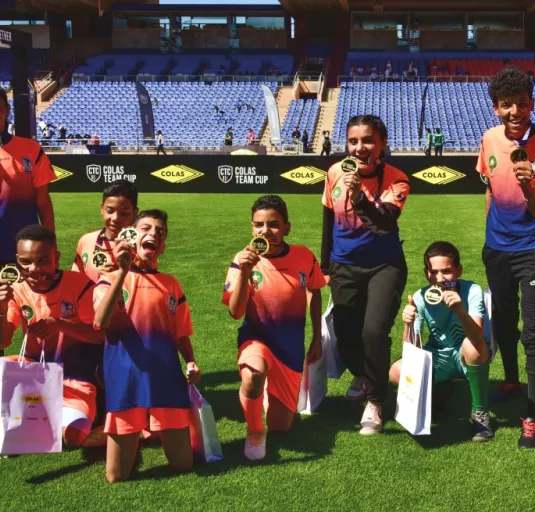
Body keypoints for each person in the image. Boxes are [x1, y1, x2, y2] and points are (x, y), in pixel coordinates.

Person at [477, 66, 535, 448]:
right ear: (496, 108)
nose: (514, 112)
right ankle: (511, 379)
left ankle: (533, 414)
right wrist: (489, 235)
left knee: (534, 329)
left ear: (532, 103)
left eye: (521, 104)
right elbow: (489, 192)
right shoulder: (489, 138)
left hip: (532, 250)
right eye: (506, 105)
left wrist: (529, 182)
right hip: (496, 248)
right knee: (504, 320)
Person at [93, 210, 201, 483]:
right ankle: (137, 431)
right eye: (146, 228)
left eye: (160, 232)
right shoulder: (109, 278)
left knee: (183, 466)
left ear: (162, 246)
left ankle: (150, 429)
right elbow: (101, 320)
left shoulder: (171, 284)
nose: (153, 234)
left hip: (166, 379)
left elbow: (180, 332)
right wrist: (123, 271)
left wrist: (190, 360)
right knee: (117, 476)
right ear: (130, 236)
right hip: (126, 380)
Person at [320, 115, 410, 435]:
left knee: (373, 331)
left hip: (384, 266)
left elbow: (384, 223)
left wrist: (359, 197)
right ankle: (362, 373)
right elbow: (328, 220)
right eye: (353, 141)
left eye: (368, 140)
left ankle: (375, 401)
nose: (360, 147)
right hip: (343, 264)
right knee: (346, 334)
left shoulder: (397, 179)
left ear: (382, 143)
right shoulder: (334, 172)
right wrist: (325, 267)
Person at [223, 195, 325, 460]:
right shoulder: (242, 260)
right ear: (252, 228)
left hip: (289, 348)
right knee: (253, 375)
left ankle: (265, 396)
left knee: (281, 427)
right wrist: (244, 273)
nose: (265, 231)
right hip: (256, 338)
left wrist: (316, 337)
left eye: (273, 225)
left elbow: (315, 290)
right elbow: (235, 313)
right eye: (258, 225)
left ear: (287, 228)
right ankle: (255, 430)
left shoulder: (303, 256)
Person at [0, 225, 105, 448]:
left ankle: (105, 419)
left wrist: (60, 325)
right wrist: (1, 308)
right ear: (17, 260)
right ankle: (34, 413)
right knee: (2, 364)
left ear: (56, 257)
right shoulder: (15, 290)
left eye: (43, 260)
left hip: (75, 374)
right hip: (33, 371)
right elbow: (3, 341)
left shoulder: (80, 285)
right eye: (26, 262)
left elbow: (99, 337)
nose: (34, 268)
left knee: (73, 438)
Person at [391, 242, 493, 441]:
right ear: (426, 272)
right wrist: (408, 324)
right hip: (437, 356)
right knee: (396, 370)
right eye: (433, 271)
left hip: (465, 354)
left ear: (458, 270)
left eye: (446, 271)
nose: (439, 278)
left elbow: (478, 337)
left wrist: (460, 311)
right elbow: (411, 351)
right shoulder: (421, 297)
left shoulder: (471, 290)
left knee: (471, 346)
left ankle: (480, 414)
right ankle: (434, 396)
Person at [0, 88, 56, 270]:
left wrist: (50, 243)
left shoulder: (31, 150)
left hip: (24, 250)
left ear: (7, 110)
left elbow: (43, 202)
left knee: (24, 299)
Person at [73, 180, 139, 283]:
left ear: (135, 213)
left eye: (124, 213)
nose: (116, 218)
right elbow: (76, 280)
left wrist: (119, 273)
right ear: (102, 209)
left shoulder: (140, 246)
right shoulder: (86, 241)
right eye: (110, 211)